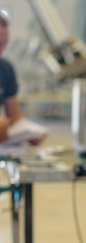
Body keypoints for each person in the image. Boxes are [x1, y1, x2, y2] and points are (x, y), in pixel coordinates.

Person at [0, 11, 47, 146]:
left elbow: (15, 115)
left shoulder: (5, 68)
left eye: (4, 44)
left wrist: (30, 132)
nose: (1, 49)